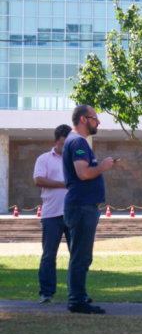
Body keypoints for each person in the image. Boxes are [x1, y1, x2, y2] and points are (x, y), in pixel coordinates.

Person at [63, 105, 115, 314]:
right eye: (95, 118)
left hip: (82, 206)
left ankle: (79, 295)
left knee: (80, 255)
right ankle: (76, 300)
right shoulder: (77, 141)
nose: (98, 122)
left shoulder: (75, 141)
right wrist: (103, 165)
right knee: (81, 256)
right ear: (84, 120)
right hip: (82, 206)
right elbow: (83, 173)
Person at [33, 124, 72, 304]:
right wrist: (63, 184)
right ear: (55, 141)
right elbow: (39, 180)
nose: (66, 147)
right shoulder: (44, 159)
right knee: (49, 255)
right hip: (51, 214)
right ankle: (46, 292)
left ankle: (77, 293)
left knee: (77, 256)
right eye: (63, 144)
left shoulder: (75, 159)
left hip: (74, 214)